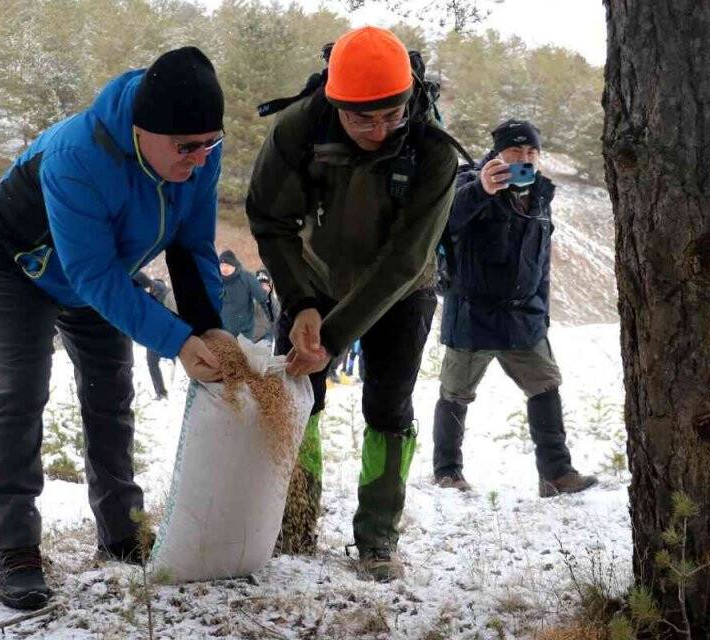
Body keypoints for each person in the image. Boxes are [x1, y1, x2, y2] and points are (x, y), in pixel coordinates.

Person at [0, 47, 230, 610]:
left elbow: (192, 246)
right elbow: (91, 276)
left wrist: (210, 328)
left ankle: (121, 533)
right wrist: (177, 342)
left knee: (111, 394)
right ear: (143, 131)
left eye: (210, 143)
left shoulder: (198, 153)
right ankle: (17, 547)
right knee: (22, 392)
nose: (200, 158)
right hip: (21, 268)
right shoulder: (76, 156)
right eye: (186, 147)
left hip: (101, 271)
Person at [246, 26, 461, 581]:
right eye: (361, 118)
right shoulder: (299, 128)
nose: (378, 129)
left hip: (403, 289)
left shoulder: (433, 149)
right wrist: (302, 303)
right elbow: (270, 220)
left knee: (388, 409)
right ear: (336, 104)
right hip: (314, 279)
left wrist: (334, 339)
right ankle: (293, 522)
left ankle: (377, 539)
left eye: (392, 114)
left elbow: (405, 260)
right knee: (299, 399)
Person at [433, 119, 597, 499]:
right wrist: (482, 190)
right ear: (498, 153)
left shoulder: (540, 196)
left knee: (545, 387)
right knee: (455, 393)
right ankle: (447, 472)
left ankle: (556, 474)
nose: (523, 159)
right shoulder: (470, 183)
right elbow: (444, 223)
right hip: (472, 314)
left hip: (524, 316)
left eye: (530, 153)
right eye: (515, 152)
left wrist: (543, 311)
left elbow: (542, 261)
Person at [134, 272, 174, 400]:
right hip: (153, 336)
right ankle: (161, 392)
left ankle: (183, 385)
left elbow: (175, 316)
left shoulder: (166, 295)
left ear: (148, 286)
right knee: (152, 363)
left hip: (170, 334)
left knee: (179, 361)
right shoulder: (141, 296)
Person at [217, 249, 269, 340]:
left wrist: (264, 290)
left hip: (245, 328)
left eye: (228, 265)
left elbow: (262, 297)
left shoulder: (246, 277)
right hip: (224, 327)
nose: (224, 268)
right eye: (222, 265)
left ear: (234, 266)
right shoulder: (214, 279)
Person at [251, 269, 280, 345]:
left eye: (265, 285)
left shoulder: (275, 302)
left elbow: (278, 318)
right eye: (260, 285)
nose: (263, 288)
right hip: (259, 340)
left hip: (273, 338)